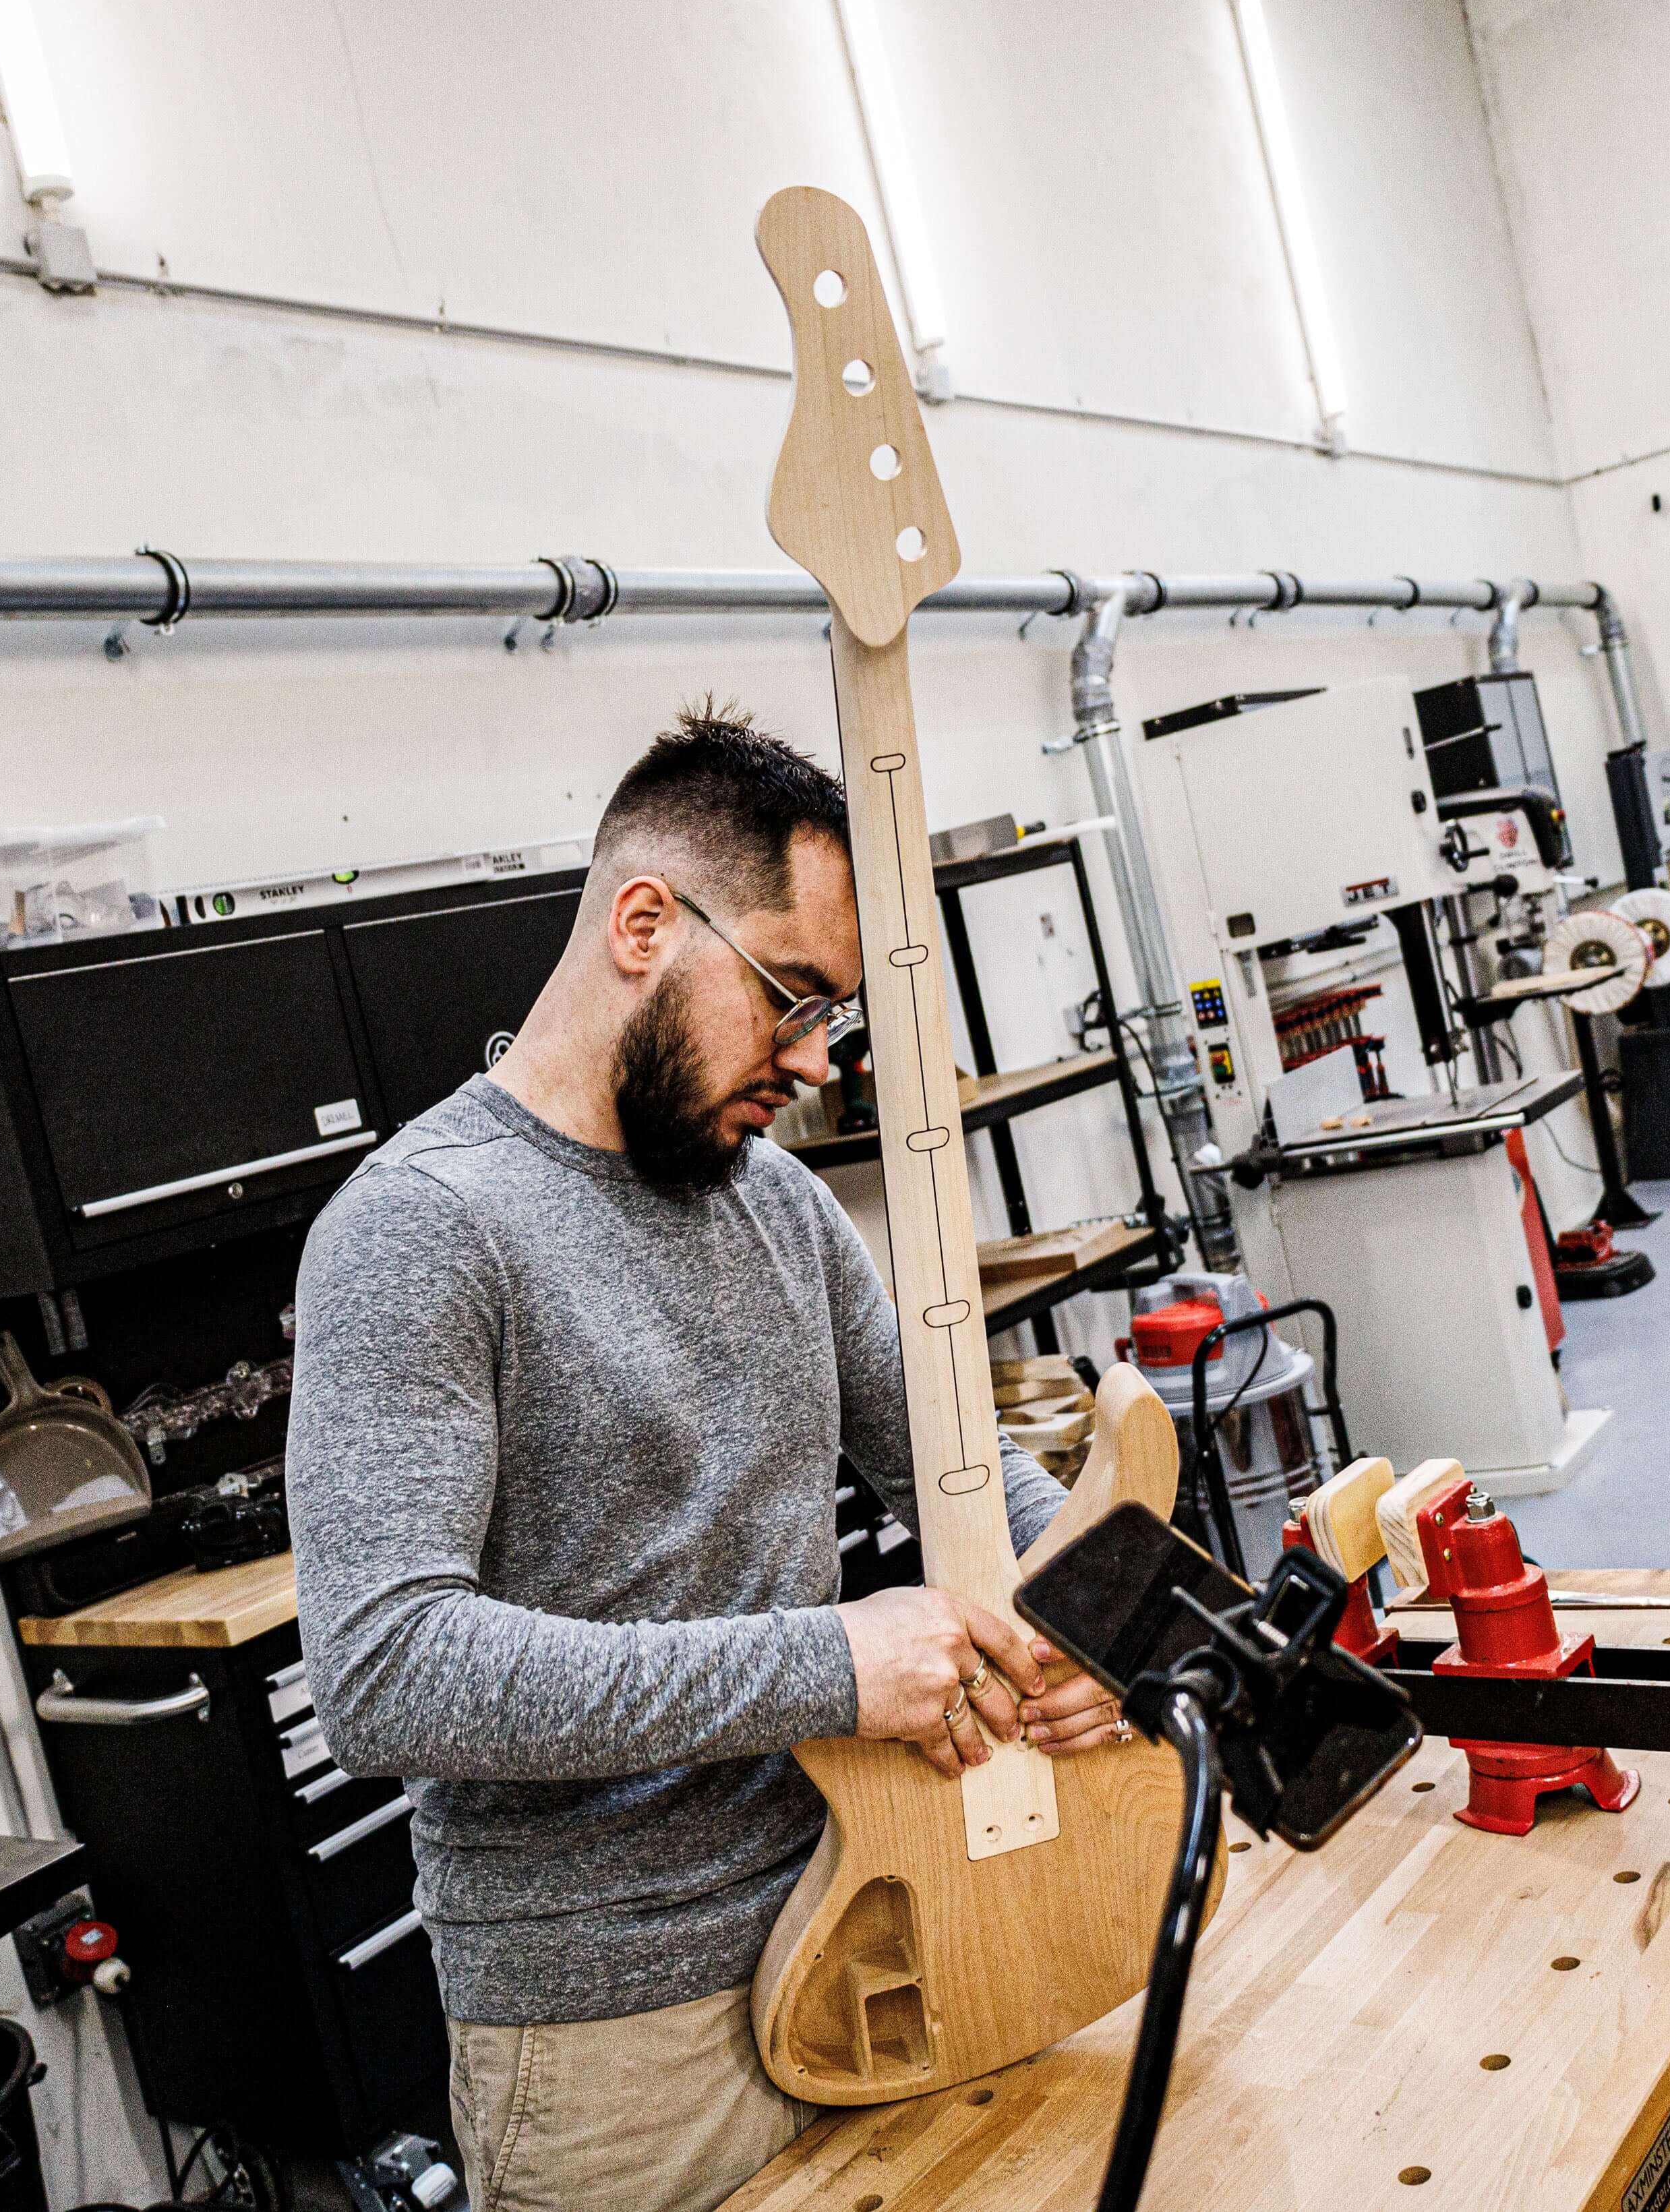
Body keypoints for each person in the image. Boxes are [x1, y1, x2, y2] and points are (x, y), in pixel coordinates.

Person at [289, 706, 1129, 2212]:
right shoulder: (421, 1226)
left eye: (833, 1017)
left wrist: (1094, 1615)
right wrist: (833, 1663)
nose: (810, 1059)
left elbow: (953, 1463)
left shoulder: (778, 1205)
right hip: (621, 2035)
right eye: (792, 997)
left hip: (878, 1914)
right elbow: (386, 1672)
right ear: (643, 924)